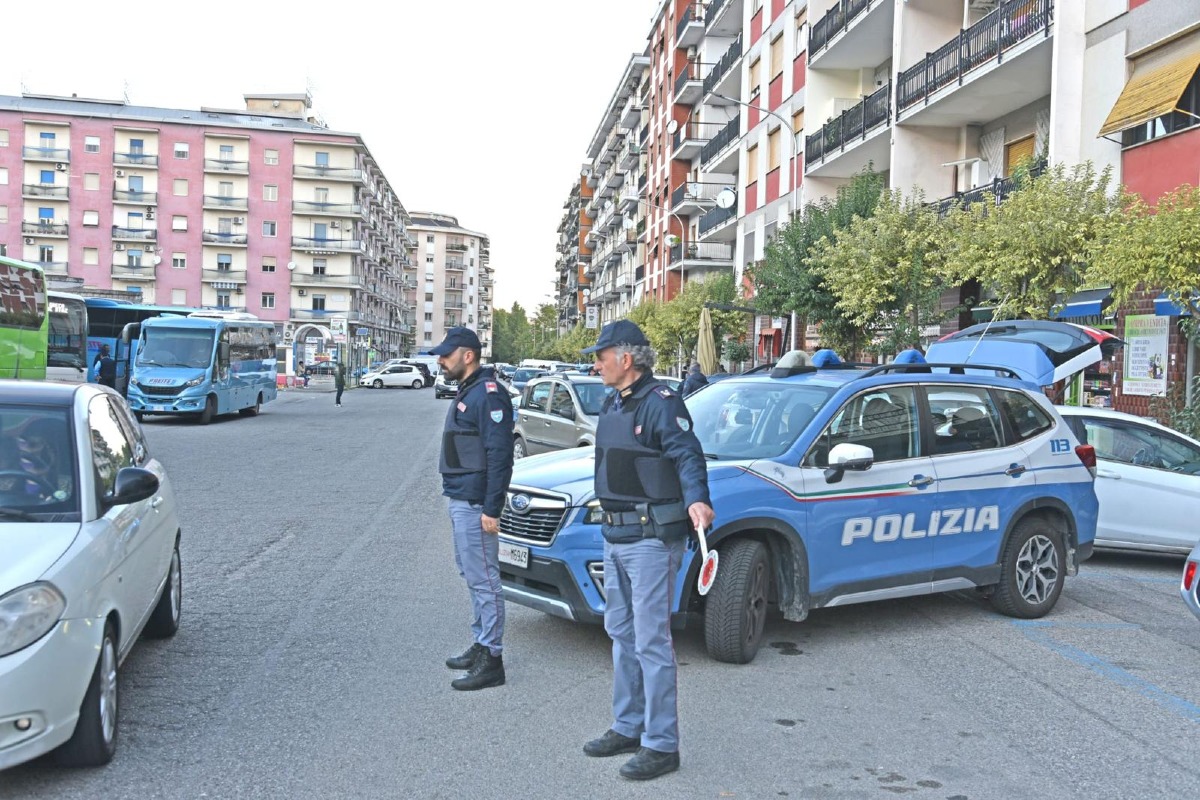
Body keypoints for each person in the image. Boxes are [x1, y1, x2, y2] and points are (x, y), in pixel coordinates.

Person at [580, 319, 714, 782]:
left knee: (651, 640)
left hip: (651, 540)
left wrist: (697, 498)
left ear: (627, 357)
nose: (595, 363)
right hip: (614, 535)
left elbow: (687, 454)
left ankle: (661, 744)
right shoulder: (613, 403)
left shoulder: (662, 403)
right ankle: (629, 725)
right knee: (620, 633)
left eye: (601, 355)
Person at [433, 326, 515, 691]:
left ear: (468, 355)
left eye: (447, 354)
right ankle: (482, 641)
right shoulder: (470, 389)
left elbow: (500, 455)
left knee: (485, 580)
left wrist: (491, 508)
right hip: (461, 496)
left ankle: (492, 659)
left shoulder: (489, 395)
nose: (441, 359)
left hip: (476, 502)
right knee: (471, 573)